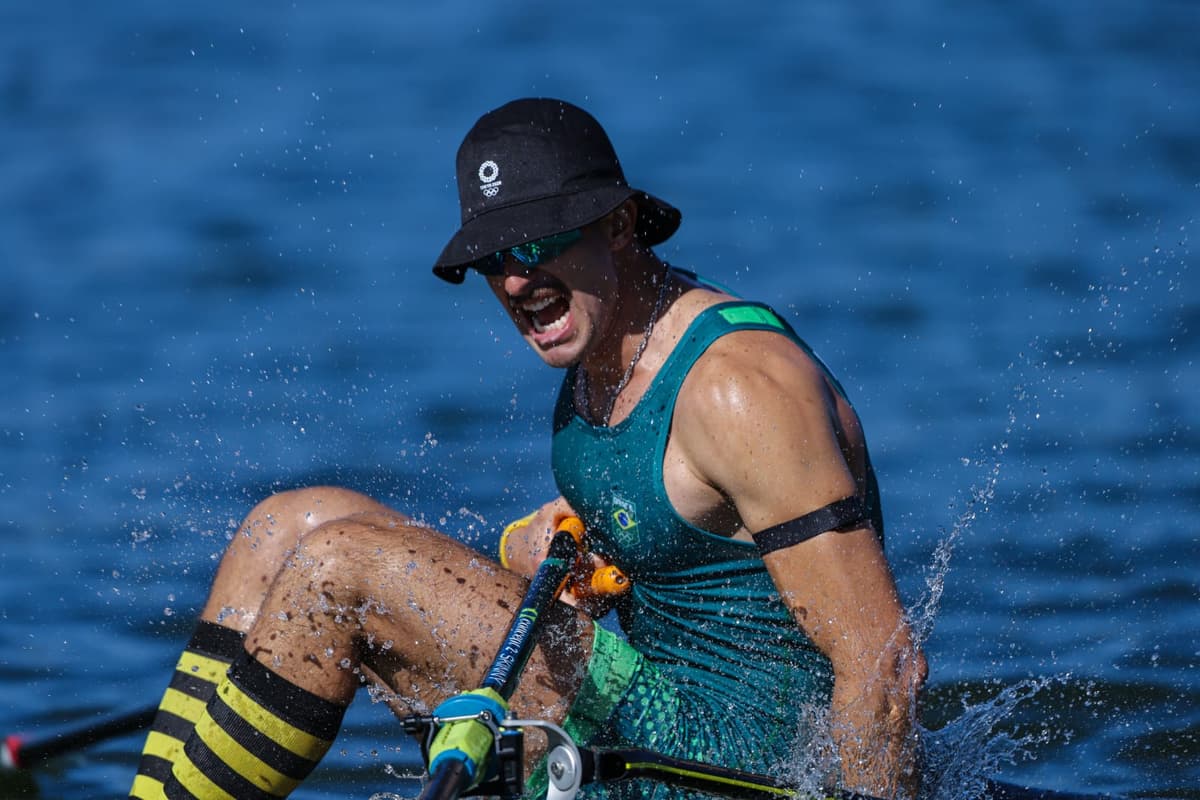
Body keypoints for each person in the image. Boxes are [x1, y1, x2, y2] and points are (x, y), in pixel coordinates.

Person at [128, 97, 926, 800]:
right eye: (494, 258)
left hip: (737, 771)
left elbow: (884, 667)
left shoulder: (739, 388)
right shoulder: (603, 346)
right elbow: (664, 524)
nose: (514, 280)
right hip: (648, 716)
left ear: (618, 225)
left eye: (538, 244)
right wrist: (540, 542)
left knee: (341, 568)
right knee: (289, 525)